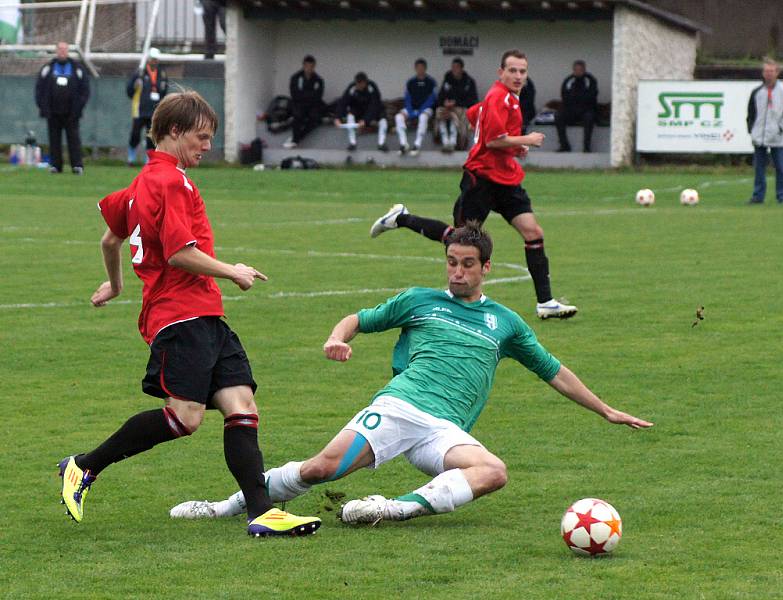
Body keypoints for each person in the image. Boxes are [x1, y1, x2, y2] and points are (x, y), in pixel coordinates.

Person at [169, 222, 652, 525]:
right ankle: (226, 507)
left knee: (493, 471)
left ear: (486, 267)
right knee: (321, 469)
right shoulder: (421, 300)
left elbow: (553, 371)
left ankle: (389, 508)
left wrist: (606, 410)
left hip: (444, 430)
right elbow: (359, 318)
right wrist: (338, 338)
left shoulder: (505, 322)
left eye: (467, 265)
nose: (456, 273)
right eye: (451, 263)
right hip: (400, 406)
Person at [57, 90, 320, 538]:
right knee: (184, 418)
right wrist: (231, 270)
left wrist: (117, 284)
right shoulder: (173, 182)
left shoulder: (141, 184)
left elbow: (109, 240)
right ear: (174, 132)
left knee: (242, 406)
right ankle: (82, 466)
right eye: (201, 137)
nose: (207, 146)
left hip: (203, 314)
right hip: (181, 316)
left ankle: (262, 514)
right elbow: (180, 253)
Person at [370, 49, 577, 320]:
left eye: (522, 71)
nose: (517, 76)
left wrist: (512, 147)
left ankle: (545, 303)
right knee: (459, 240)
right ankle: (402, 218)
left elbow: (472, 114)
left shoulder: (509, 98)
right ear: (500, 72)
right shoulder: (497, 97)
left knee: (533, 232)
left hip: (506, 178)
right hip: (481, 179)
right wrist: (525, 140)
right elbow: (492, 140)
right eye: (512, 70)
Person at [35, 41, 90, 174]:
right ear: (56, 51)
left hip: (72, 113)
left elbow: (85, 89)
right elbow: (39, 89)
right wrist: (44, 108)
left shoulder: (77, 68)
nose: (62, 52)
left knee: (74, 139)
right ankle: (55, 166)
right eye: (60, 50)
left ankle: (77, 166)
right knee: (54, 140)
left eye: (65, 50)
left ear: (68, 51)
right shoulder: (48, 68)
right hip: (53, 112)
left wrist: (78, 108)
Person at [746, 58, 783, 205]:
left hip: (777, 138)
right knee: (759, 169)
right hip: (759, 137)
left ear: (777, 73)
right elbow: (751, 114)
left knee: (780, 168)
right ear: (763, 73)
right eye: (766, 71)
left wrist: (780, 129)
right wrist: (751, 130)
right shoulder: (757, 92)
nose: (769, 74)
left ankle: (782, 196)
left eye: (771, 71)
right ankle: (758, 196)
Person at [126, 47, 168, 166]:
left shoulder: (162, 74)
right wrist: (134, 86)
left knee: (151, 136)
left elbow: (164, 91)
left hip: (154, 111)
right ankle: (131, 157)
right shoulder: (140, 73)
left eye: (157, 59)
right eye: (153, 59)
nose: (155, 61)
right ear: (149, 59)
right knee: (135, 134)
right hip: (139, 109)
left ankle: (148, 160)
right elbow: (129, 91)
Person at [334, 72, 389, 152]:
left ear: (365, 83)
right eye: (357, 84)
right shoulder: (352, 88)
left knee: (383, 121)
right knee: (350, 116)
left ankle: (381, 143)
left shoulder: (372, 87)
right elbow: (343, 102)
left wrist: (366, 120)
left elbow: (374, 105)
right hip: (358, 109)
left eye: (361, 84)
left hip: (374, 110)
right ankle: (352, 143)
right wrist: (337, 117)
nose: (359, 86)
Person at [435, 57, 478, 153]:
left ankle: (454, 142)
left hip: (461, 109)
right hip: (446, 109)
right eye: (453, 67)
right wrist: (445, 103)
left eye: (457, 67)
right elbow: (440, 96)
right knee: (439, 113)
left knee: (456, 116)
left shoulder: (469, 82)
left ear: (462, 68)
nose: (454, 69)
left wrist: (456, 103)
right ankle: (445, 141)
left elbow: (472, 100)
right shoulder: (447, 80)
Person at [395, 58, 437, 156]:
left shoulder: (431, 82)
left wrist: (420, 111)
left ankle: (417, 144)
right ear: (415, 69)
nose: (420, 70)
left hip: (426, 109)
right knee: (398, 117)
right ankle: (403, 144)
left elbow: (432, 99)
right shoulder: (411, 82)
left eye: (422, 68)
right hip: (412, 109)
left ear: (425, 69)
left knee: (423, 117)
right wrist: (410, 112)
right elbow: (407, 98)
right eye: (418, 68)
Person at [554, 60, 598, 153]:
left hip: (586, 110)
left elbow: (592, 96)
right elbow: (564, 96)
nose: (578, 72)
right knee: (558, 116)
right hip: (571, 110)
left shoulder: (590, 80)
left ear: (584, 70)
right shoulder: (568, 80)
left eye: (580, 70)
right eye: (576, 70)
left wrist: (578, 100)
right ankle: (564, 145)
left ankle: (587, 147)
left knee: (589, 117)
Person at [284, 55, 325, 149]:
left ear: (314, 66)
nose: (309, 69)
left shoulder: (318, 80)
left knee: (316, 118)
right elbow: (294, 94)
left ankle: (297, 138)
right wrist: (308, 95)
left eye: (311, 66)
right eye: (307, 66)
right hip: (298, 104)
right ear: (303, 65)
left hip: (312, 105)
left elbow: (318, 96)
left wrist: (306, 96)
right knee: (297, 115)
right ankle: (294, 139)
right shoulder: (296, 77)